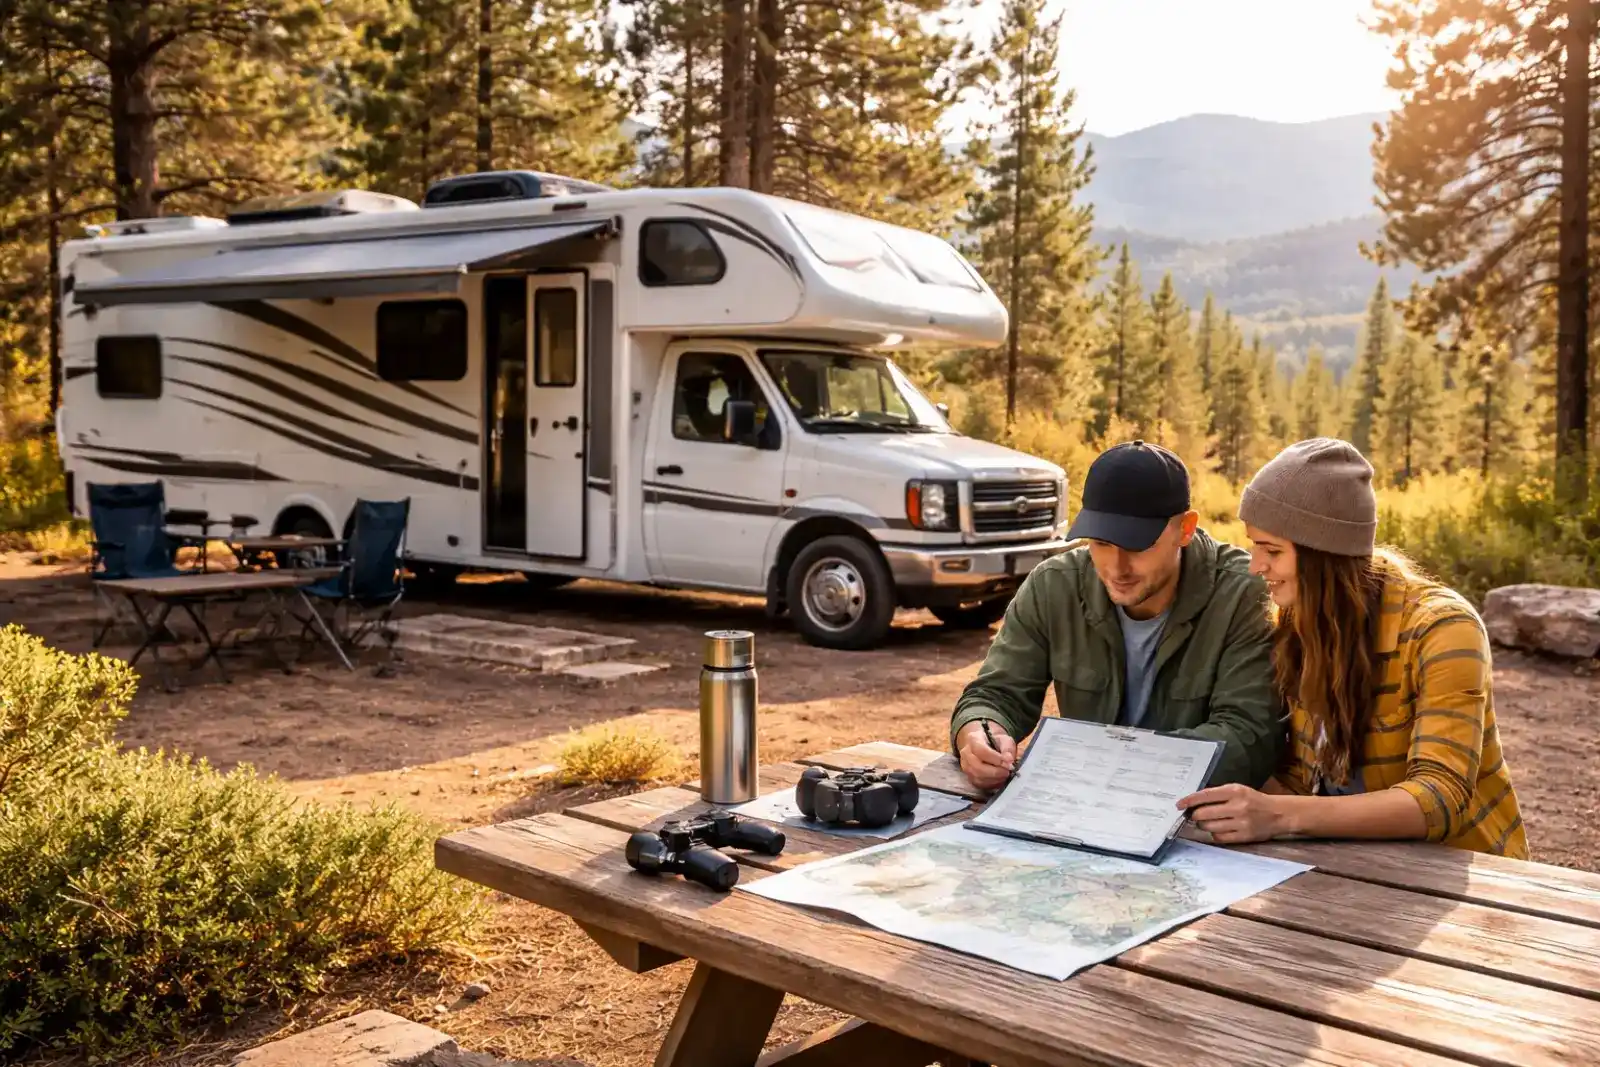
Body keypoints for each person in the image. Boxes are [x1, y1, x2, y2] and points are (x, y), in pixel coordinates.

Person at [1178, 437, 1529, 859]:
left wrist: (1280, 815)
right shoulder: (1298, 621)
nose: (1255, 566)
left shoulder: (1443, 629)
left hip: (1460, 875)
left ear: (1324, 556)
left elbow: (1440, 799)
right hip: (1351, 865)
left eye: (1272, 550)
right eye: (1253, 545)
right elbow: (1298, 775)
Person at [951, 440, 1283, 791]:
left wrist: (1111, 764)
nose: (1116, 567)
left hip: (1193, 817)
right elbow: (995, 694)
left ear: (1184, 529)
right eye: (1101, 543)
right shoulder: (1054, 586)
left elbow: (1248, 737)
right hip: (1082, 810)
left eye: (1138, 545)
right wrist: (978, 733)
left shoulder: (1242, 595)